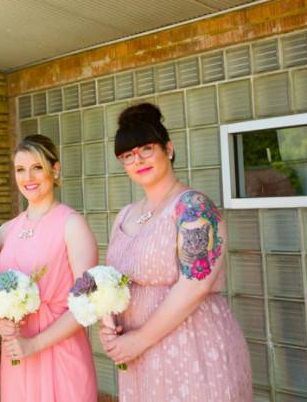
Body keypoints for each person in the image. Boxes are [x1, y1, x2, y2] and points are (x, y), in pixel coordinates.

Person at [100, 103, 252, 401]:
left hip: (191, 348)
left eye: (146, 148)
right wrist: (109, 325)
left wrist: (140, 339)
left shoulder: (193, 206)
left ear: (168, 149)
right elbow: (112, 281)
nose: (138, 160)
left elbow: (196, 284)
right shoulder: (125, 215)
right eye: (127, 155)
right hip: (138, 357)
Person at [0, 134, 98, 402]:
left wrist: (35, 345)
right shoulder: (6, 231)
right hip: (17, 352)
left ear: (55, 169)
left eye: (37, 167)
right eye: (20, 169)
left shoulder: (72, 225)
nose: (28, 177)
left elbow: (87, 303)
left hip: (60, 349)